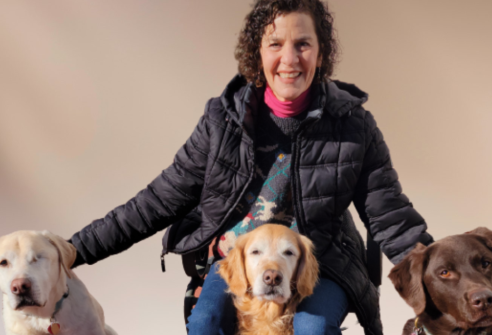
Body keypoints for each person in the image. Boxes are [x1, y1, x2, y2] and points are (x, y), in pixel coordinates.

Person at [69, 0, 434, 334]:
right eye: (275, 44)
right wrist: (72, 250)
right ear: (257, 53)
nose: (289, 59)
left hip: (318, 261)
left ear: (321, 53)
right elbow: (156, 201)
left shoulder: (353, 126)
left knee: (313, 329)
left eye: (303, 44)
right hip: (238, 259)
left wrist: (444, 279)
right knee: (206, 323)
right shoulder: (222, 121)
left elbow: (391, 218)